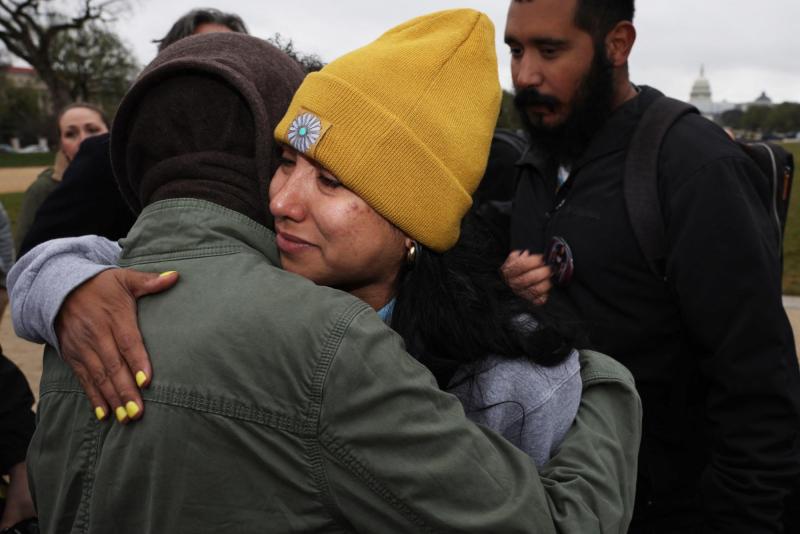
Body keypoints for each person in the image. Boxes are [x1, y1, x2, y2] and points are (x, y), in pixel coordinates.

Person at [10, 17, 640, 533]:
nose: (283, 200)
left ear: (413, 226)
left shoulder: (512, 389)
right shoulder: (261, 284)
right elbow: (108, 250)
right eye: (286, 162)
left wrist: (603, 379)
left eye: (331, 181)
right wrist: (65, 285)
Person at [501, 0, 800, 531]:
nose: (526, 75)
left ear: (617, 45)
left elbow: (758, 390)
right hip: (555, 503)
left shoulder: (694, 167)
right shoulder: (536, 158)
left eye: (550, 50)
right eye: (516, 50)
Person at [15, 8, 250, 258]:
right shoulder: (107, 160)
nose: (220, 69)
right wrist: (81, 282)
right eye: (202, 53)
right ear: (165, 67)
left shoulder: (272, 162)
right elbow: (35, 260)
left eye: (234, 55)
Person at [14, 104, 108, 254]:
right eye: (71, 134)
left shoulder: (129, 183)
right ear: (61, 144)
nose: (84, 140)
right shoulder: (42, 190)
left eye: (93, 130)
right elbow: (24, 259)